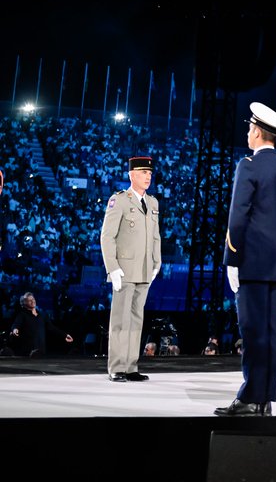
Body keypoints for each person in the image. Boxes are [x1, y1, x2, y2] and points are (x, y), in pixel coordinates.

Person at [214, 101, 276, 418]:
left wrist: (232, 259)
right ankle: (265, 399)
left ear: (256, 131)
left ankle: (251, 396)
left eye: (249, 128)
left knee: (252, 332)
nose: (247, 133)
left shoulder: (248, 166)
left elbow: (238, 217)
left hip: (251, 262)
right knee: (273, 333)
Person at [100, 153, 161, 383]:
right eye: (144, 173)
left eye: (150, 173)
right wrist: (112, 268)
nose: (148, 177)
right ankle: (116, 367)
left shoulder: (153, 202)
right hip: (124, 270)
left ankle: (131, 365)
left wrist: (157, 262)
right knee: (120, 320)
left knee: (136, 320)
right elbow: (107, 236)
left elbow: (156, 236)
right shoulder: (120, 200)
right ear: (132, 175)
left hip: (144, 270)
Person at [9, 291, 74, 357]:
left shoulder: (43, 315)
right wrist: (15, 329)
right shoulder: (22, 315)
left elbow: (52, 328)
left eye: (33, 299)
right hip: (27, 351)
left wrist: (65, 335)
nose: (33, 301)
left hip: (41, 349)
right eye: (29, 300)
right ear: (24, 304)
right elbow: (16, 324)